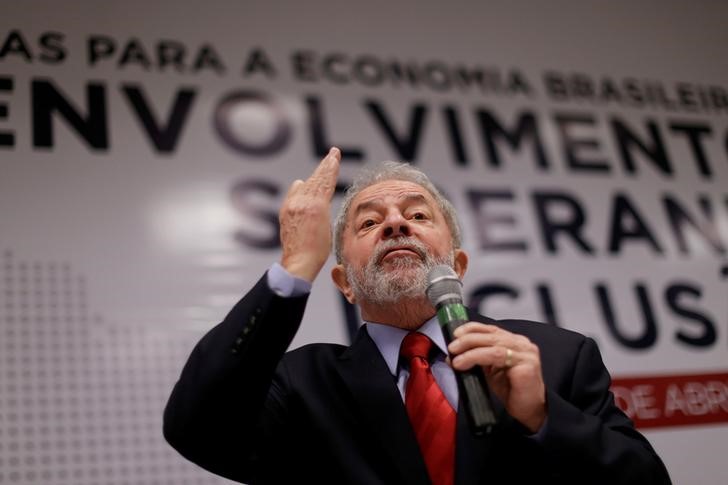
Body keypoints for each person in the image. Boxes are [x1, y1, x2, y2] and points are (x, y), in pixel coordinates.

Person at [163, 148, 671, 484]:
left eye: (418, 215)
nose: (396, 223)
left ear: (459, 265)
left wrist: (541, 415)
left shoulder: (558, 356)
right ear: (343, 282)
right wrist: (295, 266)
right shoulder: (302, 384)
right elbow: (196, 428)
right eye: (369, 222)